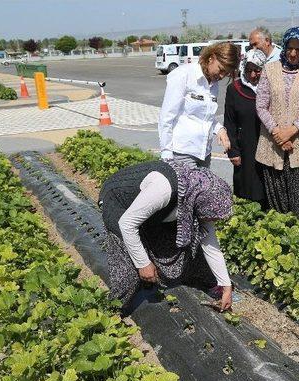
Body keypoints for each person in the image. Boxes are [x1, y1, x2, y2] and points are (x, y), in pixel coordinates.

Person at [99, 160, 234, 313]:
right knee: (128, 272)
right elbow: (127, 224)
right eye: (212, 217)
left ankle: (155, 275)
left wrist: (226, 285)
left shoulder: (197, 197)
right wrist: (143, 264)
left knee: (174, 249)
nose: (212, 221)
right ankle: (112, 314)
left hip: (152, 209)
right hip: (118, 203)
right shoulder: (164, 190)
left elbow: (210, 245)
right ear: (203, 205)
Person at [255, 27, 299, 233]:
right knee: (279, 200)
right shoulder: (270, 69)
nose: (293, 53)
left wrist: (291, 131)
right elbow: (261, 105)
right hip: (273, 146)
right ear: (284, 47)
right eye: (290, 48)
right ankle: (283, 243)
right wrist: (278, 133)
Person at [159, 42, 240, 167]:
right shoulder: (183, 75)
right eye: (221, 69)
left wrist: (220, 130)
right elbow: (166, 117)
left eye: (226, 73)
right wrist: (166, 155)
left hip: (204, 153)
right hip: (182, 153)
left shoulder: (214, 84)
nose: (221, 76)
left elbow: (206, 117)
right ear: (211, 58)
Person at [225, 49, 268, 207]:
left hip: (267, 146)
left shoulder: (270, 88)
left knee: (265, 185)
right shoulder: (234, 89)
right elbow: (229, 122)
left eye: (257, 70)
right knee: (246, 184)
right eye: (248, 70)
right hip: (245, 147)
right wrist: (233, 151)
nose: (252, 75)